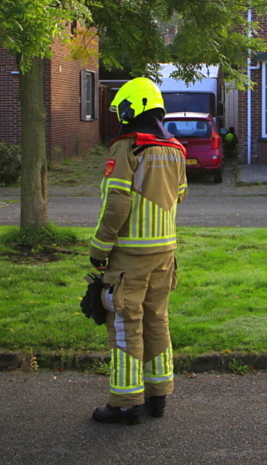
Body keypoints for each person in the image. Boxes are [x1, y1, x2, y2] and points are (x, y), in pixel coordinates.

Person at [89, 78, 187, 425]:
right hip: (165, 253)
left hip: (129, 256)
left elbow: (116, 204)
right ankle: (157, 397)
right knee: (156, 319)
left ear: (131, 109)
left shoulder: (127, 148)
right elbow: (179, 195)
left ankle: (125, 403)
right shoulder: (176, 148)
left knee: (125, 324)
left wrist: (99, 249)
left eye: (122, 110)